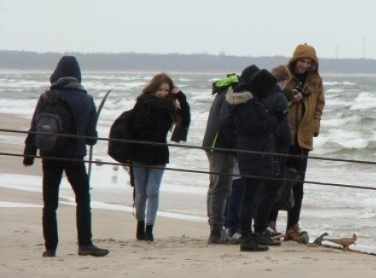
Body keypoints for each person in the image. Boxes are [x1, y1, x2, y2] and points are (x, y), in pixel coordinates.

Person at [23, 56, 109, 257]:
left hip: (50, 154)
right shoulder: (86, 100)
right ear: (78, 75)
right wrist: (91, 137)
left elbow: (35, 126)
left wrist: (30, 153)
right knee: (83, 199)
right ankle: (85, 244)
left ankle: (50, 248)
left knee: (50, 203)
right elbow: (91, 138)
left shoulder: (46, 97)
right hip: (74, 156)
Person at [124, 73, 190, 242]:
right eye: (160, 90)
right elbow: (131, 127)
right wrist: (126, 154)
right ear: (153, 88)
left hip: (159, 153)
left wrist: (180, 96)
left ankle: (149, 228)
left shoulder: (170, 108)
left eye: (166, 90)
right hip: (139, 153)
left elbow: (186, 118)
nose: (162, 93)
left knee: (152, 192)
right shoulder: (143, 102)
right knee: (140, 194)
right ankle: (140, 222)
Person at [202, 65, 258, 244]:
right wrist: (236, 143)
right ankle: (216, 232)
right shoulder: (232, 92)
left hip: (212, 143)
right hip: (221, 146)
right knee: (221, 189)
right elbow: (225, 120)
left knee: (215, 187)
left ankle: (216, 229)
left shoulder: (228, 88)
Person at [226, 68, 279, 251]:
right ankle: (246, 238)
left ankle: (248, 237)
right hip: (252, 154)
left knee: (250, 196)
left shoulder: (253, 99)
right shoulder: (247, 102)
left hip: (254, 153)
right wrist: (274, 120)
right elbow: (253, 127)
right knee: (249, 197)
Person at [281, 43, 325, 242]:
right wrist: (292, 98)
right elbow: (275, 101)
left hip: (303, 139)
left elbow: (319, 106)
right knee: (278, 182)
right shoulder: (285, 77)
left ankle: (292, 226)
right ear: (295, 60)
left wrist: (314, 127)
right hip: (283, 137)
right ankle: (269, 224)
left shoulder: (316, 81)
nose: (305, 65)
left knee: (298, 185)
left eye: (309, 62)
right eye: (302, 61)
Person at [265, 65, 293, 236]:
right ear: (282, 82)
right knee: (271, 188)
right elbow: (282, 127)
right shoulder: (279, 98)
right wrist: (286, 144)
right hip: (275, 147)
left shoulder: (262, 94)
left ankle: (263, 225)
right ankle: (265, 226)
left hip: (263, 145)